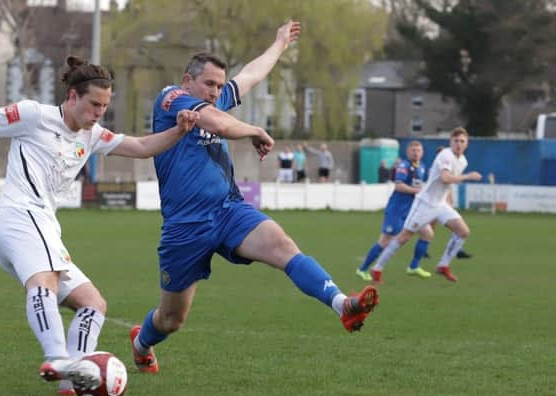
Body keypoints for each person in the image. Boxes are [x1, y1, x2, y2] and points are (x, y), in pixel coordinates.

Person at [0, 55, 199, 395]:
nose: (99, 113)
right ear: (73, 96)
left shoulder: (92, 135)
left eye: (105, 106)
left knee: (93, 304)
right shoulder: (35, 115)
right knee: (44, 280)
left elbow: (140, 146)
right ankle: (56, 357)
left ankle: (72, 377)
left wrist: (180, 130)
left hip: (43, 226)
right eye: (94, 104)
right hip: (20, 216)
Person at [129, 20, 379, 375]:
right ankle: (141, 344)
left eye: (219, 86)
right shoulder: (171, 100)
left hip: (229, 210)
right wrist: (255, 130)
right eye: (208, 84)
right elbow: (217, 124)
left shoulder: (215, 101)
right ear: (188, 81)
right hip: (185, 226)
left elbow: (249, 76)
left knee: (283, 246)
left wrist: (279, 44)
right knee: (171, 319)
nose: (216, 92)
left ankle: (343, 305)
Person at [370, 127, 482, 284]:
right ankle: (377, 269)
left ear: (467, 144)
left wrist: (448, 200)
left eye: (462, 141)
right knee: (404, 237)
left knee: (463, 231)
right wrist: (467, 176)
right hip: (425, 203)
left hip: (440, 204)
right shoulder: (446, 155)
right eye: (456, 140)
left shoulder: (463, 160)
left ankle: (443, 265)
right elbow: (444, 178)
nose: (458, 144)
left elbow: (447, 183)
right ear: (451, 142)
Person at [356, 141, 433, 281]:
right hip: (397, 210)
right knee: (385, 241)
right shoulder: (404, 166)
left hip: (412, 210)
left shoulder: (422, 167)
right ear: (408, 152)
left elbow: (422, 185)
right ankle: (362, 269)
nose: (416, 152)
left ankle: (414, 266)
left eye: (418, 150)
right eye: (413, 150)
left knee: (427, 233)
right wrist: (417, 191)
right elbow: (398, 186)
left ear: (422, 153)